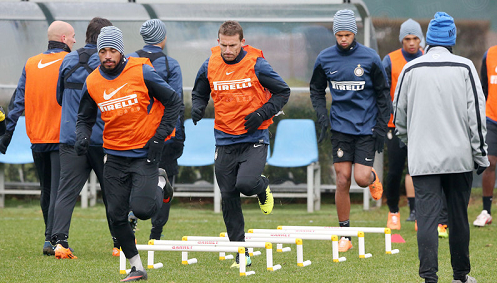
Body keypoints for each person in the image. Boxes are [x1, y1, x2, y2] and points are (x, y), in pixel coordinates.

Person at [75, 26, 181, 282]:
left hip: (144, 152)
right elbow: (84, 118)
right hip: (113, 155)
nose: (107, 55)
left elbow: (174, 101)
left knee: (143, 210)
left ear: (121, 51)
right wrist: (82, 136)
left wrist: (159, 137)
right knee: (115, 216)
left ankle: (160, 180)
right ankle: (137, 267)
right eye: (103, 51)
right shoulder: (92, 81)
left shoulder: (141, 70)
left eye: (112, 50)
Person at [393, 12, 487, 283]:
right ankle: (460, 280)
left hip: (423, 160)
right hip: (459, 159)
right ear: (452, 39)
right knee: (458, 218)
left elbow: (399, 117)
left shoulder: (411, 69)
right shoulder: (466, 67)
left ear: (428, 39)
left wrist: (412, 142)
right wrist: (480, 154)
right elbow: (477, 118)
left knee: (427, 219)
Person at [191, 20, 290, 268]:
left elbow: (283, 92)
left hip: (253, 137)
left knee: (245, 184)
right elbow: (200, 89)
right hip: (224, 139)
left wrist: (261, 114)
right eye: (223, 45)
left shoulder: (256, 64)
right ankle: (240, 252)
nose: (228, 50)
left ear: (242, 42)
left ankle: (262, 185)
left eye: (232, 45)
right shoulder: (210, 63)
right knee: (228, 196)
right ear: (218, 42)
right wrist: (197, 107)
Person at [310, 9, 390, 252]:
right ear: (334, 34)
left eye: (347, 34)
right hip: (341, 128)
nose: (343, 39)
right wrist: (322, 116)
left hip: (366, 127)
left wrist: (381, 127)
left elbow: (382, 93)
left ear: (354, 33)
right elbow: (315, 89)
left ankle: (373, 178)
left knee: (361, 179)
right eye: (339, 35)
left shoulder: (370, 58)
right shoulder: (325, 58)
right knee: (342, 179)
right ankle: (345, 233)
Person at [0, 21, 76, 256]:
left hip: (36, 136)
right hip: (59, 136)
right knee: (58, 190)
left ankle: (48, 237)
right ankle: (53, 240)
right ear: (63, 38)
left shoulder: (31, 63)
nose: (75, 41)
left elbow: (16, 104)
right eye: (72, 37)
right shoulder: (69, 61)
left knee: (47, 189)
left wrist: (5, 137)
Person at [50, 17, 118, 259]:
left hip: (70, 137)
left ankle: (59, 243)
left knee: (65, 192)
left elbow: (59, 97)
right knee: (113, 192)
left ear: (87, 34)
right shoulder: (108, 63)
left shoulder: (68, 59)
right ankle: (118, 244)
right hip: (103, 139)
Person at [127, 19, 184, 241]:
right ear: (164, 38)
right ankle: (156, 235)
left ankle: (129, 224)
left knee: (133, 179)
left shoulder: (129, 61)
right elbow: (176, 102)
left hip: (134, 135)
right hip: (166, 134)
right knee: (164, 183)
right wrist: (178, 134)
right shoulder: (171, 65)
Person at [382, 19, 424, 230]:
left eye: (415, 38)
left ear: (421, 39)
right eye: (407, 38)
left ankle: (417, 212)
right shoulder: (390, 60)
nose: (411, 43)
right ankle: (393, 212)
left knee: (418, 170)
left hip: (422, 126)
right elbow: (382, 92)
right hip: (395, 125)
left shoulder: (427, 58)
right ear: (401, 40)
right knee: (395, 171)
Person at [475, 40, 497, 227]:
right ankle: (486, 211)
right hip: (492, 118)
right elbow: (484, 87)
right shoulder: (489, 54)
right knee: (489, 162)